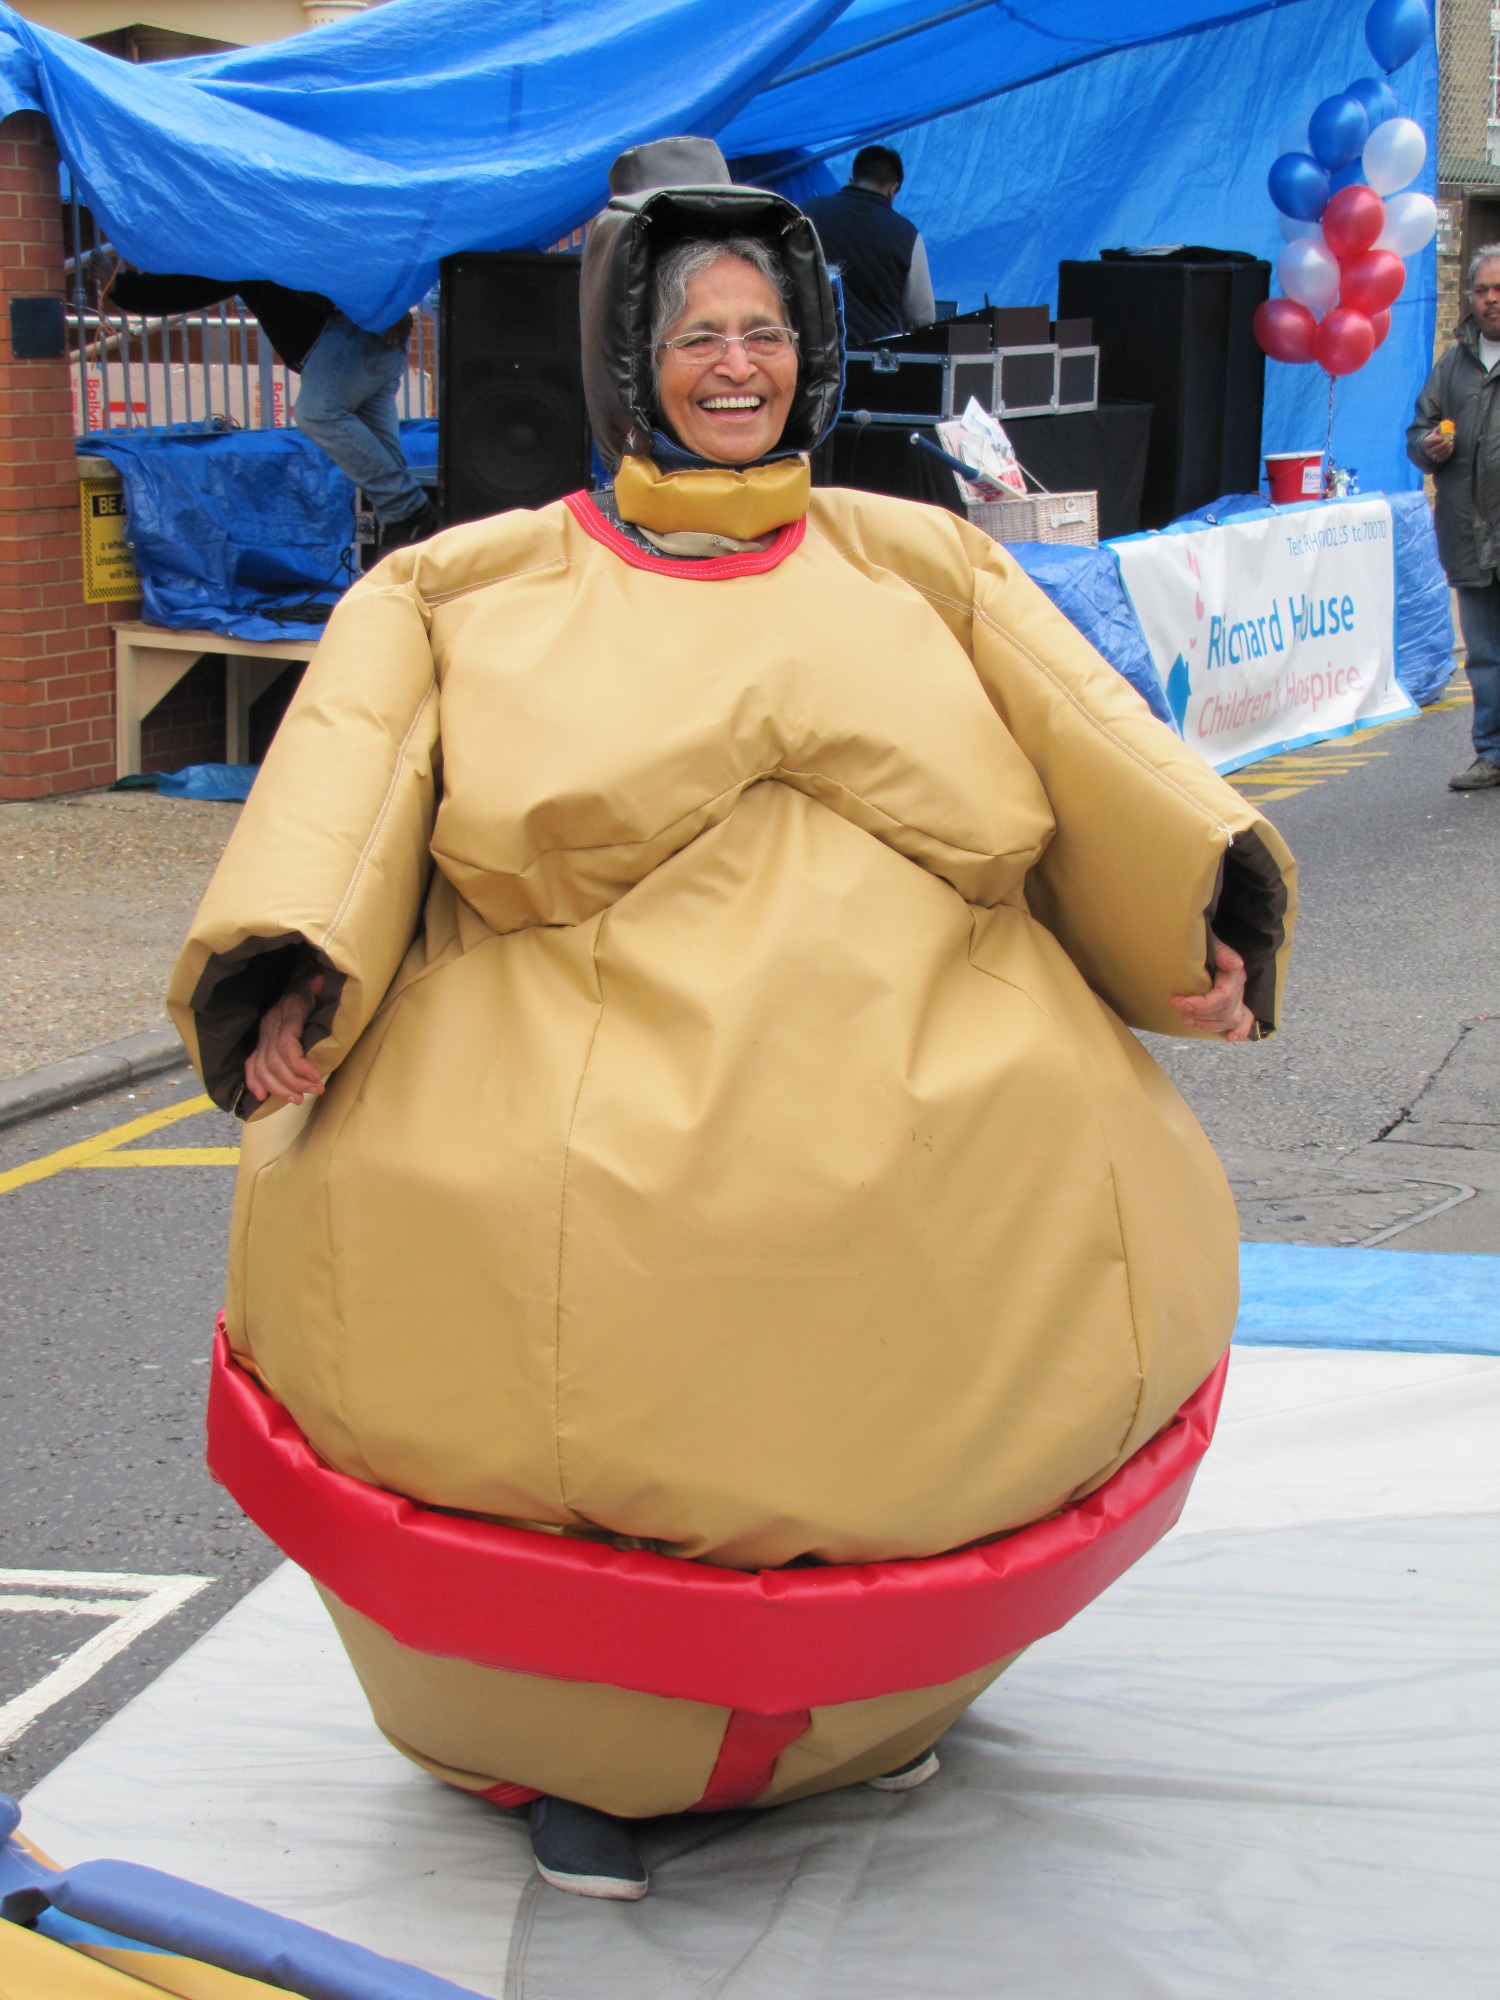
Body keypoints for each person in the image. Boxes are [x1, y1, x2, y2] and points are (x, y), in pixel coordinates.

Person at [169, 138, 1294, 1906]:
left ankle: (878, 1690)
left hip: (933, 1116)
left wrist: (1200, 920)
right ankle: (591, 1750)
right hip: (580, 1152)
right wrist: (293, 970)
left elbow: (1099, 749)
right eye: (695, 332)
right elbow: (351, 788)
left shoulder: (922, 562)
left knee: (1014, 1278)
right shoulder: (466, 589)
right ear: (629, 353)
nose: (735, 365)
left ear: (815, 351)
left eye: (765, 329)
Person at [105, 267, 438, 553]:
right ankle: (411, 533)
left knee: (318, 413)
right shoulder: (277, 233)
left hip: (343, 334)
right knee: (381, 451)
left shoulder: (250, 248)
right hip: (377, 334)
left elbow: (188, 288)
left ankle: (409, 509)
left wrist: (124, 290)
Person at [1407, 243, 1500, 791]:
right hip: (1468, 533)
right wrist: (1429, 449)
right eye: (1483, 290)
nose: (1492, 300)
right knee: (1485, 657)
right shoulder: (1453, 363)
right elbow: (1418, 433)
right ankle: (1491, 754)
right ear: (1469, 297)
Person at [801, 144, 935, 347]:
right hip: (874, 362)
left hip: (812, 356)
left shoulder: (805, 214)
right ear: (892, 189)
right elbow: (922, 316)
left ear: (851, 180)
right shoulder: (907, 234)